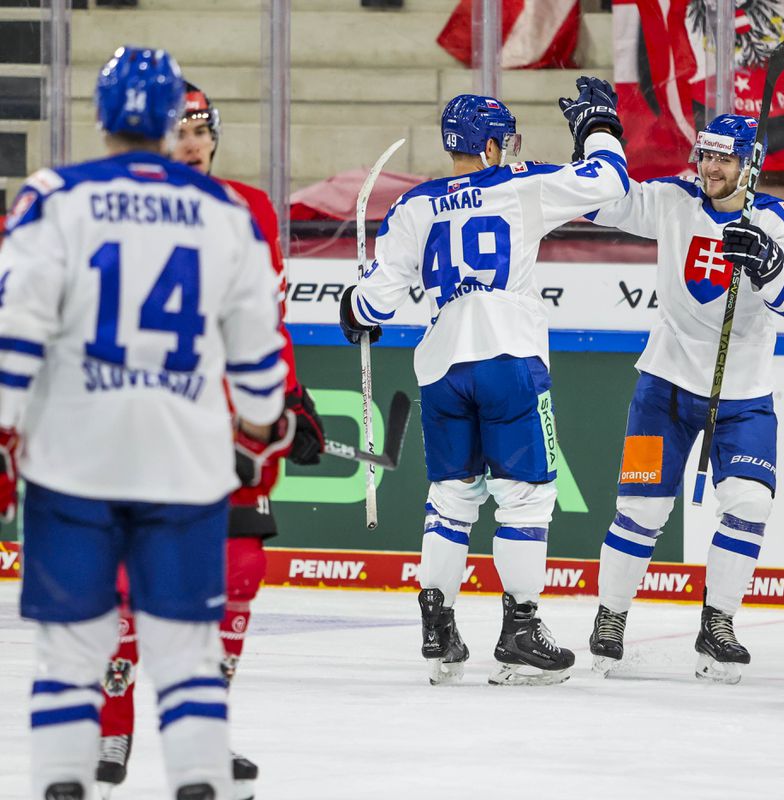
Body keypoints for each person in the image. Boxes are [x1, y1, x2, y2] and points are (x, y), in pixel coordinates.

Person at [1, 46, 290, 800]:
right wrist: (259, 436)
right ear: (172, 118)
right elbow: (260, 357)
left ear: (99, 117)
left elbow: (16, 331)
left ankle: (64, 784)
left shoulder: (51, 194)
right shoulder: (225, 211)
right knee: (189, 647)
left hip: (73, 454)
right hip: (185, 456)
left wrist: (4, 439)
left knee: (69, 652)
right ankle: (198, 780)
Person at [339, 79, 629, 686]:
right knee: (525, 498)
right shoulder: (521, 184)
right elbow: (609, 182)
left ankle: (438, 624)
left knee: (451, 498)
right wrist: (598, 124)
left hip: (443, 366)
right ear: (493, 144)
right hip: (509, 354)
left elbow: (375, 304)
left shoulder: (415, 206)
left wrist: (353, 305)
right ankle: (520, 630)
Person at [92, 81, 325, 799]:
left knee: (239, 569)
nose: (191, 141)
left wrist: (291, 394)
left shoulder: (250, 208)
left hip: (235, 420)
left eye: (200, 127)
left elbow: (263, 321)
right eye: (176, 130)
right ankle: (113, 723)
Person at [581, 114, 784, 684]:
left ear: (749, 164)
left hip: (744, 395)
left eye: (723, 159)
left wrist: (769, 265)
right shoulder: (673, 200)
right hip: (661, 387)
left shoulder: (779, 222)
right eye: (704, 155)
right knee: (640, 510)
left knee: (750, 503)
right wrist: (596, 136)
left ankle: (718, 623)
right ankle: (609, 618)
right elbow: (597, 203)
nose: (709, 168)